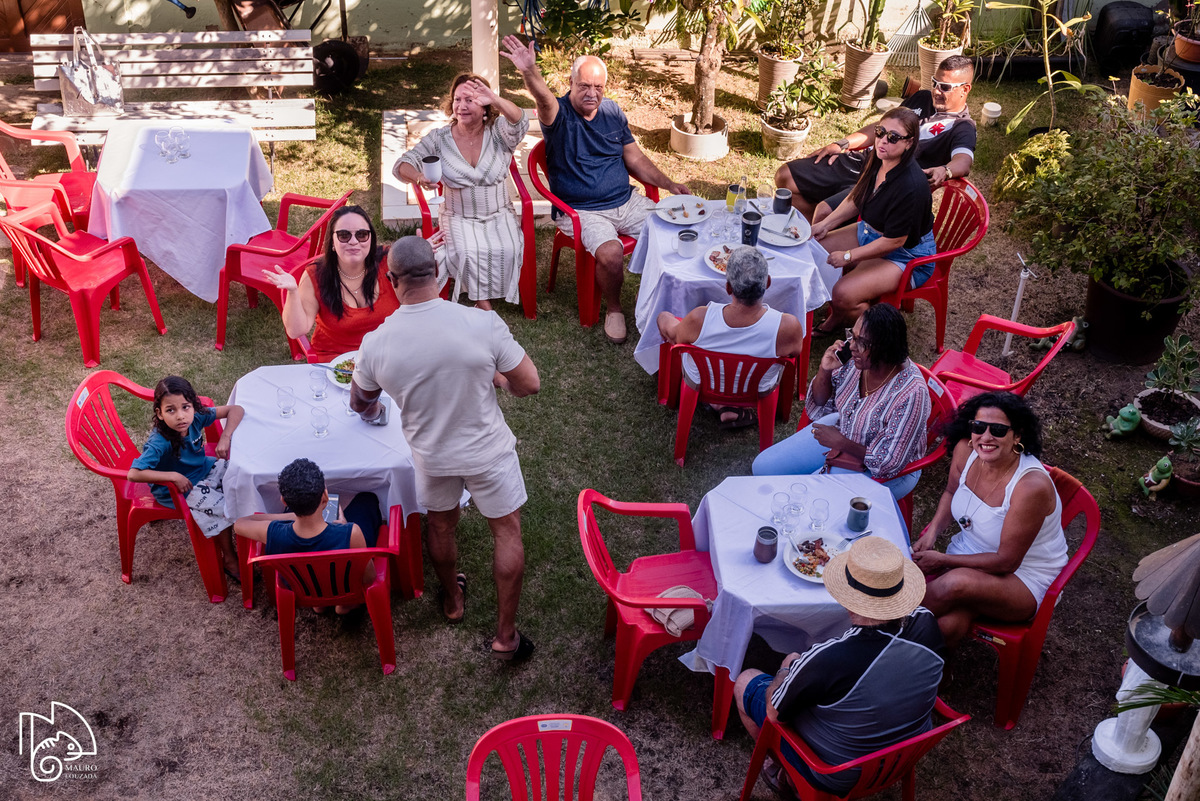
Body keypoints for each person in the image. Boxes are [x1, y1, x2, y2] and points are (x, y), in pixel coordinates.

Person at [350, 236, 541, 662]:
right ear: (437, 272)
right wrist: (496, 378)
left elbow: (360, 401)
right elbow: (529, 383)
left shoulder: (376, 343)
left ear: (391, 279)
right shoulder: (481, 323)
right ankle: (506, 635)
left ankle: (453, 602)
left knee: (441, 526)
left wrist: (379, 397)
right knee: (506, 532)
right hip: (487, 451)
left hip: (432, 456)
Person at [500, 34, 691, 345]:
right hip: (582, 211)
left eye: (598, 87)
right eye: (584, 86)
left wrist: (668, 183)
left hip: (626, 201)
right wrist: (529, 72)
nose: (591, 93)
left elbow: (635, 157)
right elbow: (543, 99)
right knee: (612, 254)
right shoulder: (558, 115)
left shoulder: (613, 112)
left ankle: (666, 299)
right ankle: (614, 308)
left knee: (675, 231)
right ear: (571, 84)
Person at [734, 537, 944, 798]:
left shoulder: (830, 658)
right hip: (905, 753)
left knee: (746, 680)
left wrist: (786, 669)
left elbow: (774, 713)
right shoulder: (928, 625)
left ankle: (786, 772)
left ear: (848, 598)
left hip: (839, 771)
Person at [911, 392, 1067, 647]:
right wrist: (932, 534)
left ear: (1018, 435)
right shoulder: (966, 450)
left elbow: (1006, 561)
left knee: (956, 583)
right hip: (971, 552)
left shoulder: (1030, 487)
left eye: (997, 430)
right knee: (948, 624)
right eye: (979, 427)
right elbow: (951, 492)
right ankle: (934, 668)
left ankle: (882, 629)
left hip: (1024, 576)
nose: (985, 437)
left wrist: (943, 560)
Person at [752, 304, 929, 501]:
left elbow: (888, 463)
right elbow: (819, 402)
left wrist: (841, 443)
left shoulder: (911, 393)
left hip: (891, 470)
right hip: (845, 429)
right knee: (763, 468)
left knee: (806, 498)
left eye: (861, 342)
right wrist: (825, 370)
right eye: (852, 335)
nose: (851, 345)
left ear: (885, 349)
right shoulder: (855, 359)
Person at [777, 55, 977, 223]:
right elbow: (881, 127)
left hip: (885, 183)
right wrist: (842, 144)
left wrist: (946, 170)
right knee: (784, 177)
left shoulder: (962, 127)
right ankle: (822, 229)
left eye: (944, 87)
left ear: (965, 89)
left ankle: (823, 232)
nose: (936, 91)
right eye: (935, 83)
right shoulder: (922, 97)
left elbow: (964, 161)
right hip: (864, 160)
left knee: (825, 213)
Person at [393, 73, 529, 311]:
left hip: (498, 213)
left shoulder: (499, 132)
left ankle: (490, 298)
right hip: (458, 215)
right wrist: (418, 177)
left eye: (470, 100)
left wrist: (495, 98)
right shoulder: (439, 139)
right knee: (467, 251)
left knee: (510, 248)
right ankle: (485, 308)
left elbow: (520, 121)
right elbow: (402, 164)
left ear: (486, 104)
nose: (461, 106)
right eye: (457, 100)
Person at [808, 107, 935, 334]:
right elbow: (857, 197)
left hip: (906, 256)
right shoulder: (880, 158)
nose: (882, 141)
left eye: (893, 137)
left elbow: (893, 242)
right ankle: (833, 308)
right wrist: (823, 225)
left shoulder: (911, 186)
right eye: (880, 132)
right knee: (813, 250)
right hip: (871, 232)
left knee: (843, 294)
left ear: (909, 142)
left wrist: (848, 256)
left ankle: (868, 326)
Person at [657, 245, 807, 429]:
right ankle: (729, 407)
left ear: (728, 288)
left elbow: (674, 336)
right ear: (767, 283)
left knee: (670, 322)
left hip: (704, 382)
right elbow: (794, 352)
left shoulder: (699, 319)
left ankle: (719, 403)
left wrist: (663, 318)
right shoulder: (788, 327)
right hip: (757, 387)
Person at [127, 376, 244, 577]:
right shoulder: (159, 442)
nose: (180, 416)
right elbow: (134, 474)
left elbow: (236, 409)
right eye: (171, 410)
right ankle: (229, 558)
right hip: (177, 490)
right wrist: (172, 476)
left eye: (185, 407)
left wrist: (226, 436)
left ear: (193, 405)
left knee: (242, 478)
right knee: (226, 507)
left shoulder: (196, 417)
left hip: (204, 469)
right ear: (160, 413)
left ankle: (251, 538)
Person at [233, 458, 382, 614]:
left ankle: (319, 605)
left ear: (284, 501)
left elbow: (240, 523)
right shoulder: (351, 532)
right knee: (367, 501)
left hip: (305, 590)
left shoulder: (273, 533)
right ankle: (345, 604)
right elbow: (369, 578)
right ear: (325, 497)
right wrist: (343, 526)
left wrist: (291, 516)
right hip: (347, 589)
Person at [263, 205, 399, 362]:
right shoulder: (315, 276)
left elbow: (425, 300)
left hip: (386, 356)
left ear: (371, 239)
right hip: (336, 362)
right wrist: (293, 292)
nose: (354, 241)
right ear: (332, 242)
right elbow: (296, 331)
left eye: (362, 235)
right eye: (344, 235)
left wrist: (425, 260)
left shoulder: (390, 262)